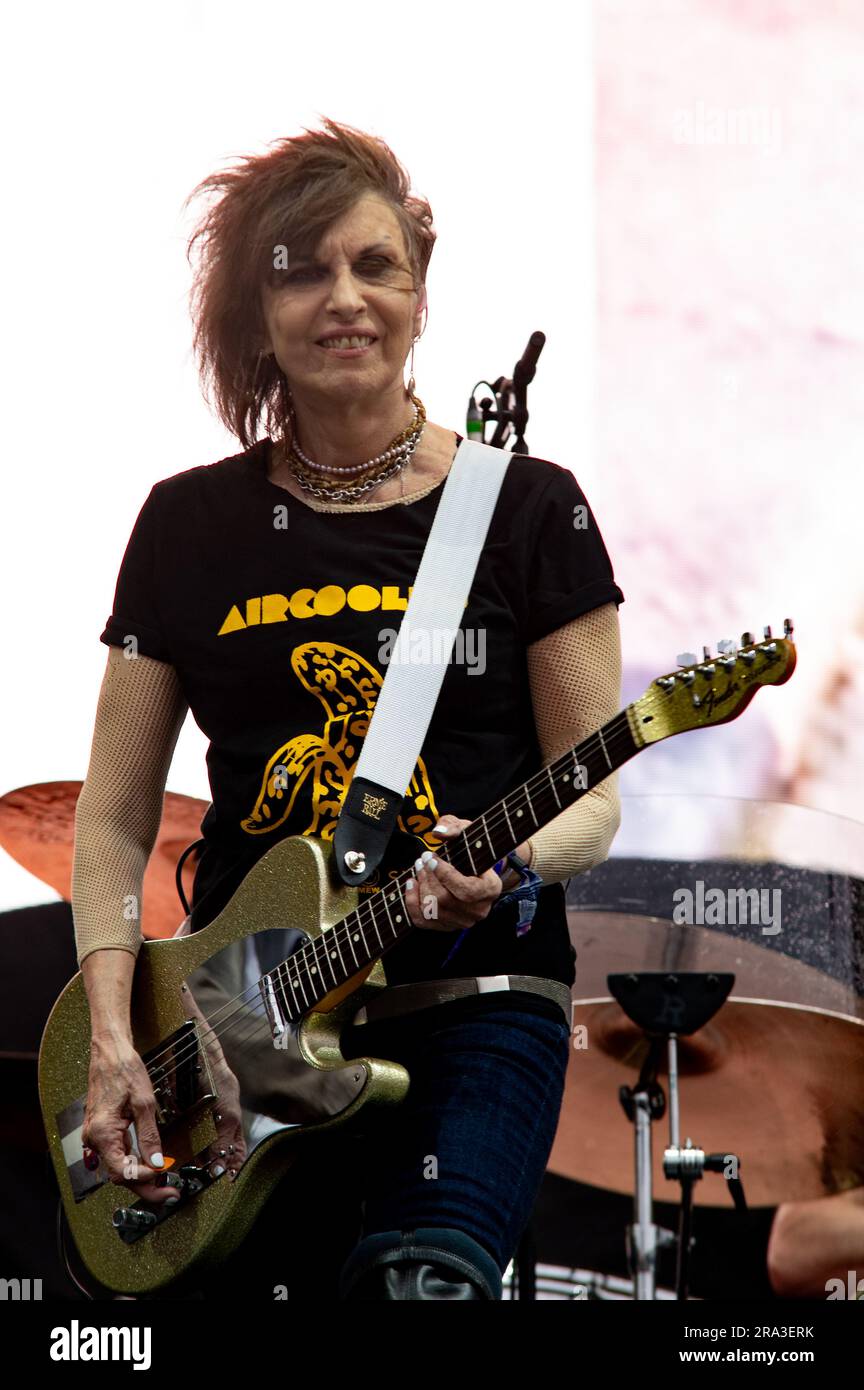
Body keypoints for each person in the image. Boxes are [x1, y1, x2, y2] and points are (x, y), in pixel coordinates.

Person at [72, 116, 625, 1300]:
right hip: (237, 1025)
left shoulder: (530, 511)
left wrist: (511, 863)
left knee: (417, 1287)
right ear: (256, 315)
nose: (345, 298)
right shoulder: (186, 526)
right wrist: (115, 1035)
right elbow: (115, 826)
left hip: (475, 995)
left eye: (376, 266)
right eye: (305, 271)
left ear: (421, 295)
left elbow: (596, 798)